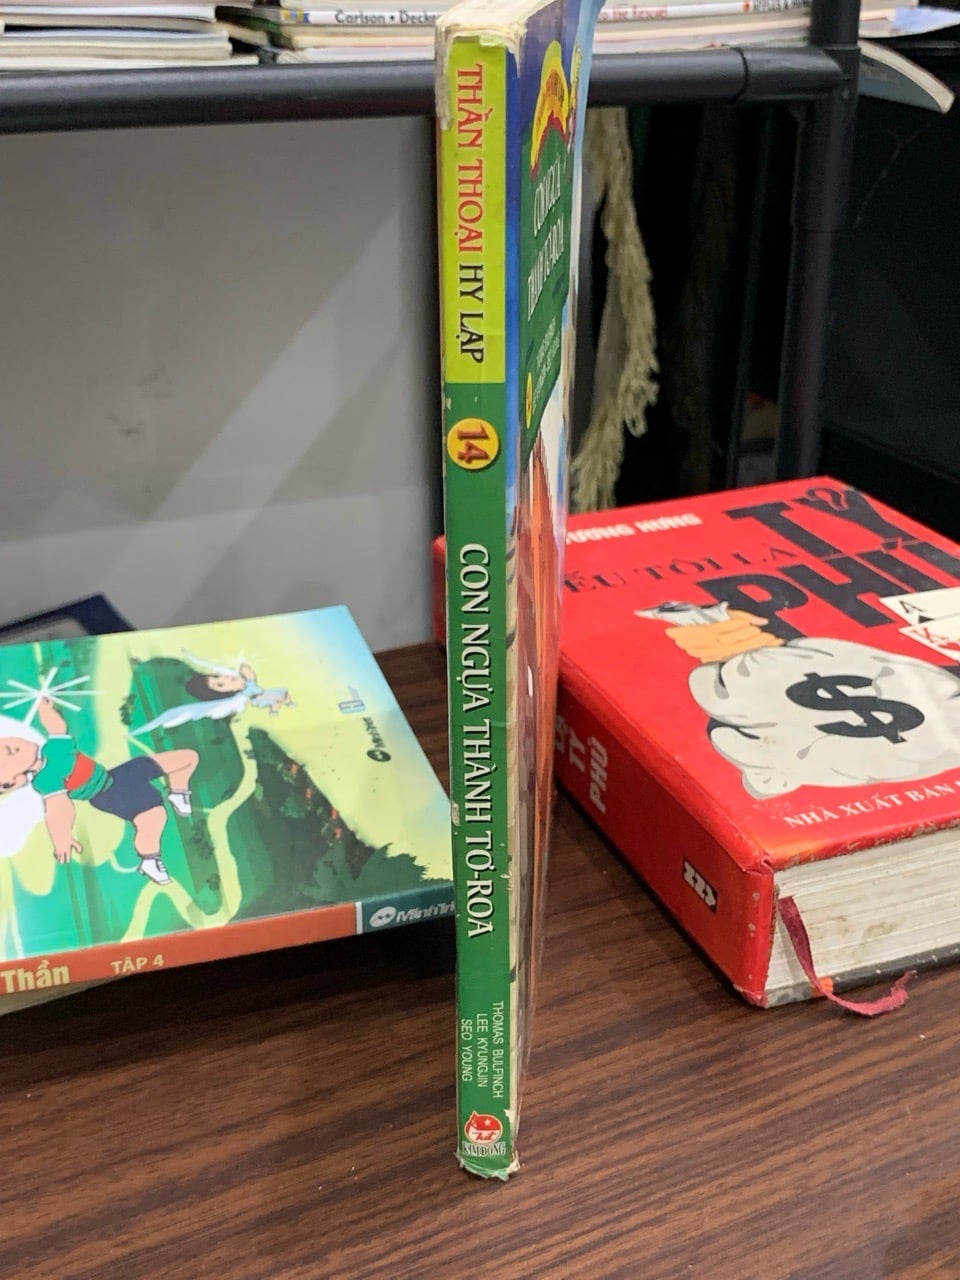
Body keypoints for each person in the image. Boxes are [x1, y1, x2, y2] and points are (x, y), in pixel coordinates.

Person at [0, 698, 197, 885]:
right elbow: (59, 808)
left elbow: (57, 729)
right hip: (109, 795)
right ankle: (149, 859)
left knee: (188, 758)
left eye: (5, 744)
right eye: (6, 755)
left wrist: (45, 710)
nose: (10, 747)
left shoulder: (52, 749)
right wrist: (61, 837)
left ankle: (178, 792)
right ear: (9, 782)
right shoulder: (45, 779)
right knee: (154, 818)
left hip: (119, 775)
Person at [132, 651, 293, 737]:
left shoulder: (237, 677)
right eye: (220, 684)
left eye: (217, 677)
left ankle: (282, 703)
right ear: (227, 693)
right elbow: (255, 686)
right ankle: (277, 708)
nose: (223, 678)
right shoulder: (245, 694)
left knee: (281, 696)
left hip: (261, 694)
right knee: (279, 697)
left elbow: (245, 668)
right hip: (261, 697)